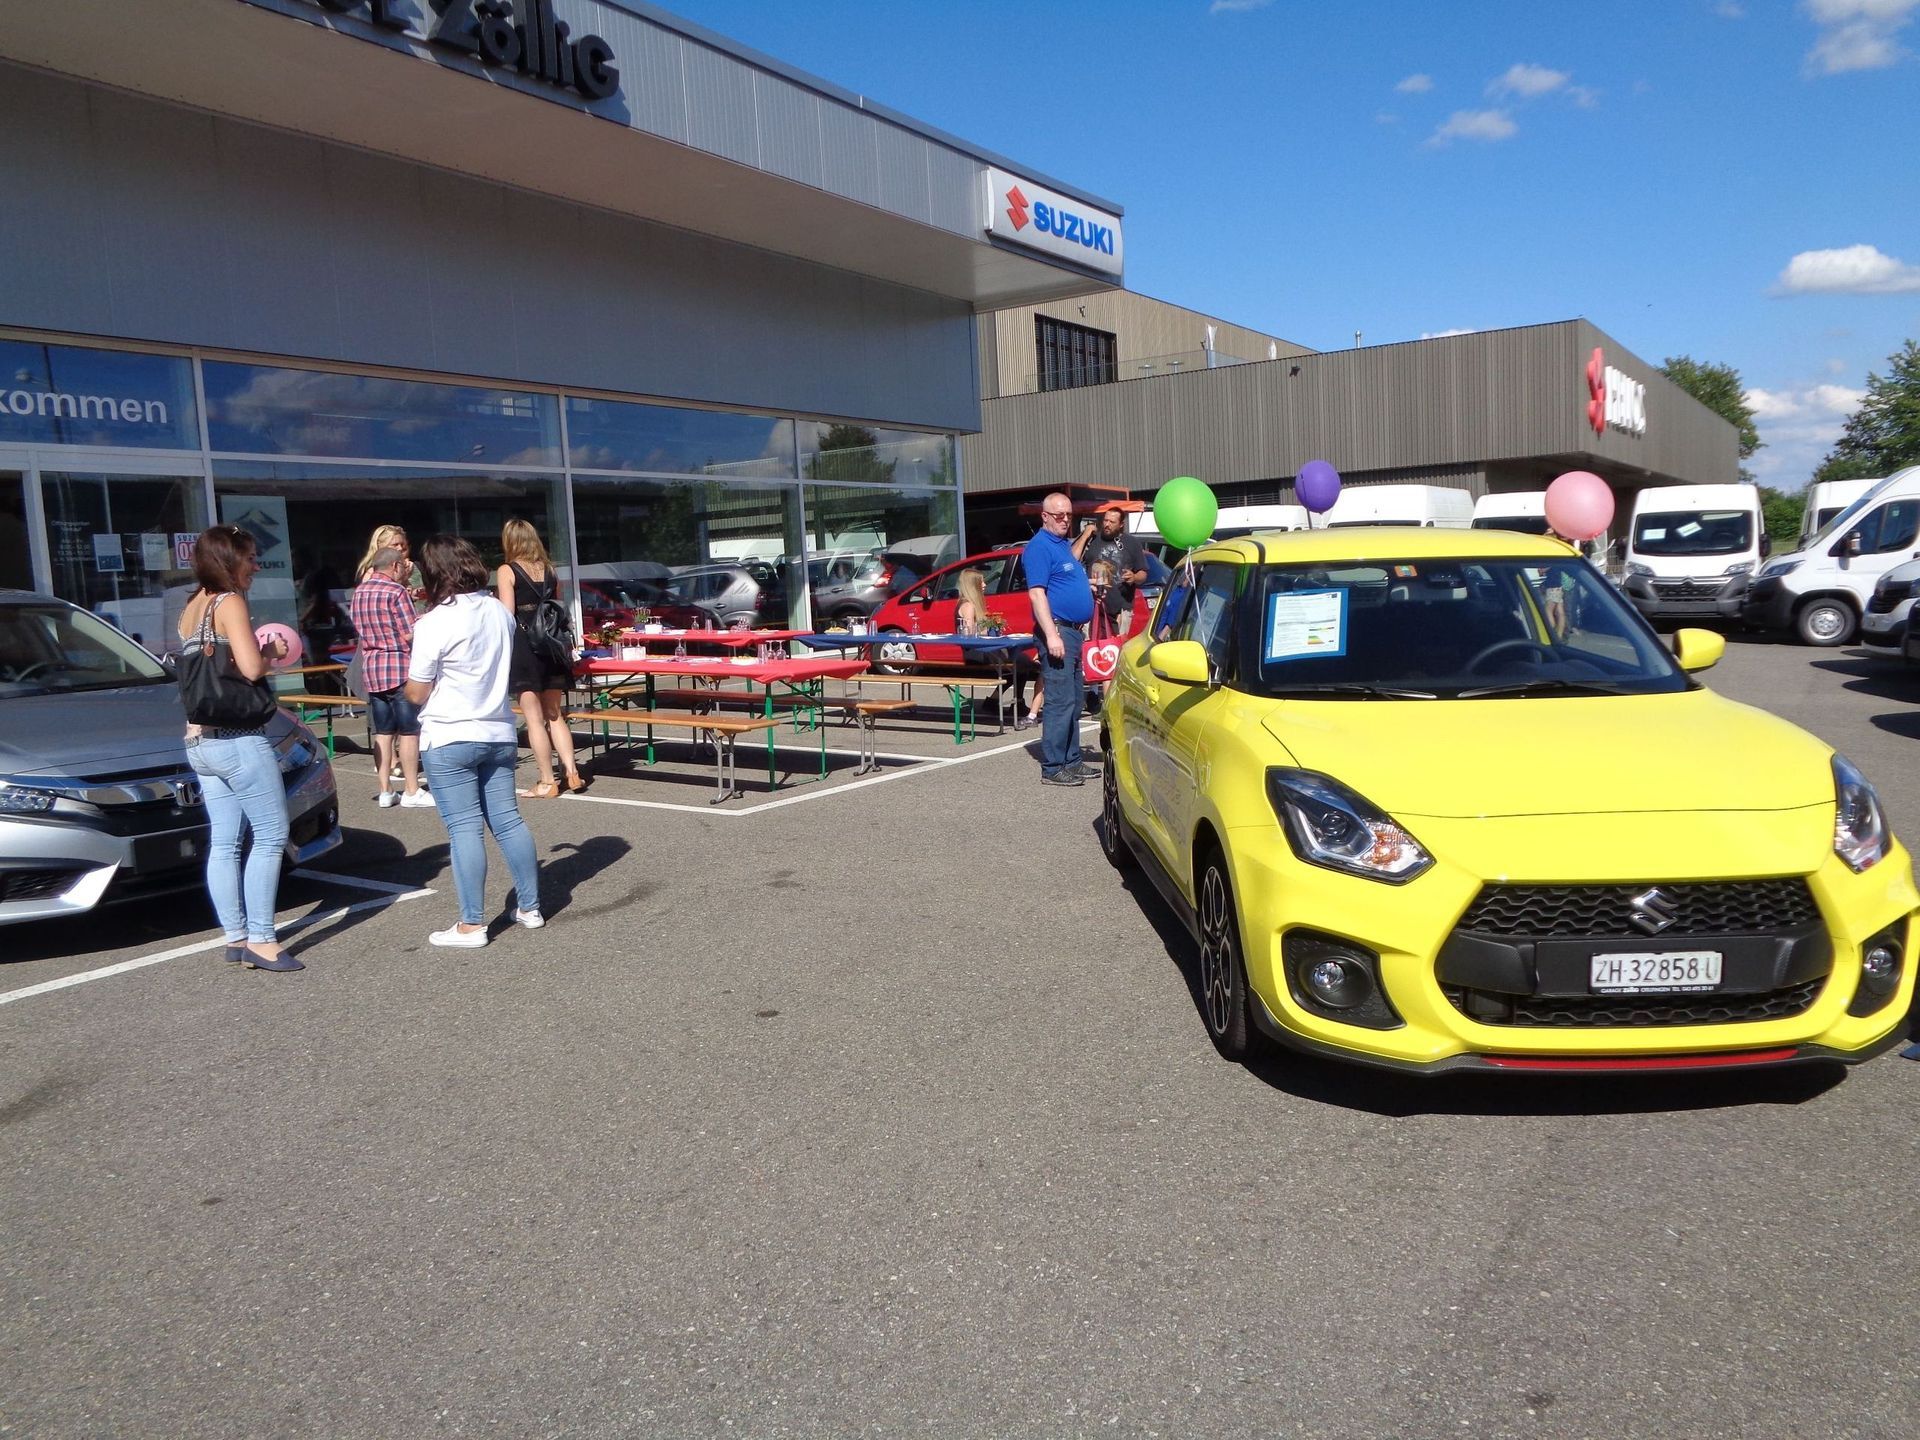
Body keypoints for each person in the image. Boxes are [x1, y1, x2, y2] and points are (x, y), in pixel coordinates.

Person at [405, 535, 544, 947]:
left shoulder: (432, 622)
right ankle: (530, 907)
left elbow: (416, 691)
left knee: (464, 828)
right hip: (498, 729)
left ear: (433, 574)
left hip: (449, 734)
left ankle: (471, 924)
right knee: (508, 820)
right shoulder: (498, 612)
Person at [175, 524, 300, 972]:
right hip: (238, 740)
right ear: (228, 560)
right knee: (269, 835)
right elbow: (249, 669)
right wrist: (273, 651)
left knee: (225, 842)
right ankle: (263, 941)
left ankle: (235, 936)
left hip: (199, 741)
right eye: (248, 557)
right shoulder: (229, 603)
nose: (255, 565)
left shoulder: (191, 607)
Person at [495, 519, 583, 798]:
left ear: (510, 541)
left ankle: (547, 780)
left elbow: (507, 612)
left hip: (524, 646)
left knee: (534, 719)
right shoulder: (549, 569)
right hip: (551, 644)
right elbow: (553, 605)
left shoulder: (507, 570)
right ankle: (572, 772)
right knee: (555, 716)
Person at [1023, 492, 1098, 786]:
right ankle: (1053, 767)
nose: (1065, 519)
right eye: (1058, 515)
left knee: (1075, 698)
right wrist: (1052, 635)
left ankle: (1072, 760)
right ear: (1044, 517)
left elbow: (1062, 579)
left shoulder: (1062, 546)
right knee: (1059, 700)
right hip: (1058, 631)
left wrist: (1086, 586)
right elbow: (1037, 593)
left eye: (1068, 514)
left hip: (1072, 631)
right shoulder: (1040, 547)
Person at [350, 544, 432, 810]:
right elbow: (410, 632)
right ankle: (411, 789)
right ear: (395, 566)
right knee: (409, 731)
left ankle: (385, 790)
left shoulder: (359, 591)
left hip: (372, 667)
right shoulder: (395, 591)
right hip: (398, 664)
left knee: (383, 732)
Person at [1083, 503, 1151, 639]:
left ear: (1121, 524)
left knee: (1117, 649)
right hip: (1092, 606)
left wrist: (1134, 577)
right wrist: (1085, 535)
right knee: (1091, 649)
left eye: (1112, 522)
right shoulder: (1092, 539)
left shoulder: (1131, 543)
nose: (1107, 524)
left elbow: (1143, 573)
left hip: (1120, 607)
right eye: (1105, 520)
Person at [954, 567, 989, 636]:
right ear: (973, 585)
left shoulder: (970, 604)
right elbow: (969, 634)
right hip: (976, 645)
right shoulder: (968, 606)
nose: (984, 585)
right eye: (980, 582)